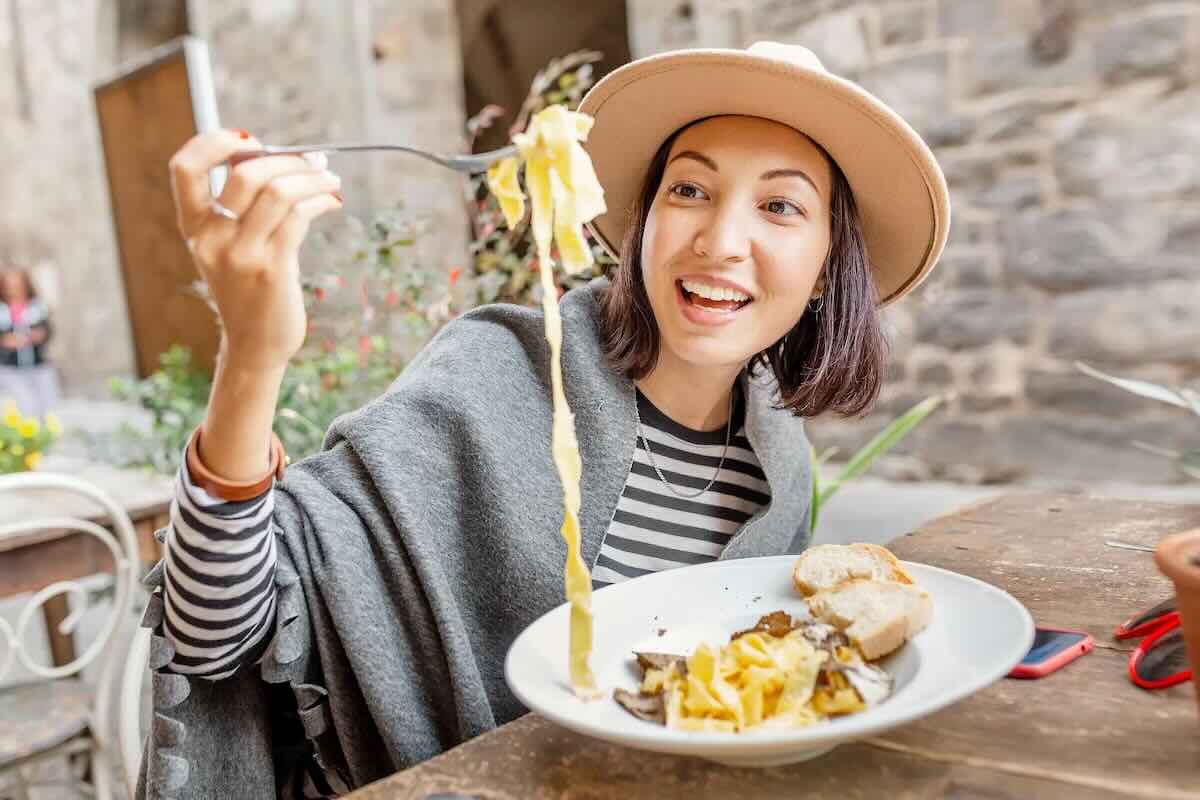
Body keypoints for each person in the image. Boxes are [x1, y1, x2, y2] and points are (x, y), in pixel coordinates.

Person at [138, 42, 949, 798]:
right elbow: (215, 634)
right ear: (638, 228)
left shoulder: (778, 468)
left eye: (779, 206)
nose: (721, 240)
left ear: (822, 272)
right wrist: (253, 350)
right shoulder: (494, 374)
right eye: (689, 190)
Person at [0, 265, 59, 418]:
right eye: (9, 285)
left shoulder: (37, 306)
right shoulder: (1, 309)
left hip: (38, 364)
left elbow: (48, 331)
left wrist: (40, 335)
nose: (14, 289)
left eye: (17, 284)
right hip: (11, 368)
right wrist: (5, 341)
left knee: (48, 407)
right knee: (26, 405)